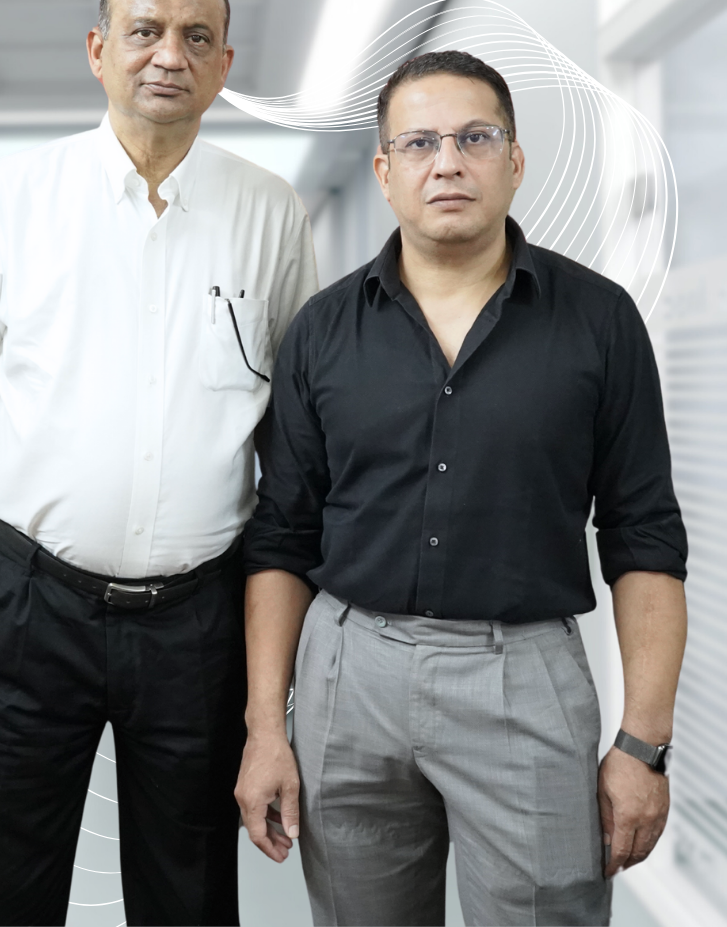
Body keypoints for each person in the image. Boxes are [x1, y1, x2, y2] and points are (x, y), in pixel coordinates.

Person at [234, 50, 688, 927]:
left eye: (476, 137)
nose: (448, 161)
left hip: (521, 676)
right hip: (346, 675)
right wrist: (265, 727)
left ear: (514, 162)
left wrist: (643, 744)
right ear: (385, 172)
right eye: (419, 143)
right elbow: (282, 536)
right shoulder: (323, 331)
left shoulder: (598, 322)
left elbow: (645, 537)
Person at [0, 0, 318, 926]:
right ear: (100, 52)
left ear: (225, 65)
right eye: (143, 31)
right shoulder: (10, 200)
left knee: (188, 898)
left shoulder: (269, 210)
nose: (167, 55)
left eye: (194, 37)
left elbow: (290, 431)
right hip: (21, 607)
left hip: (198, 621)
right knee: (5, 894)